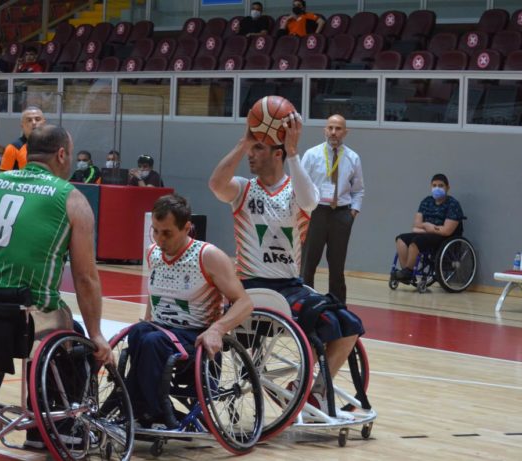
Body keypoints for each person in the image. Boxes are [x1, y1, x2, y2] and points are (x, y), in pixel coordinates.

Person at [209, 111, 363, 415]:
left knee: (349, 326)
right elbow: (215, 184)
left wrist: (294, 152)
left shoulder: (296, 189)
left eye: (258, 148)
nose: (251, 155)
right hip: (252, 287)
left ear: (277, 153)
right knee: (329, 321)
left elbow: (310, 202)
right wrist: (244, 141)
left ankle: (316, 392)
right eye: (252, 149)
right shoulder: (242, 189)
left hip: (290, 286)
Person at [0, 124, 112, 448]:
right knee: (74, 335)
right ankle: (60, 429)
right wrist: (97, 336)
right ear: (61, 154)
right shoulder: (71, 198)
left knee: (50, 325)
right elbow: (86, 278)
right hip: (27, 315)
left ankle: (40, 428)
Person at [125, 194, 253, 427]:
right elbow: (154, 301)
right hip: (161, 334)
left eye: (167, 233)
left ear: (187, 228)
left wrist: (218, 329)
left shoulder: (208, 256)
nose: (159, 239)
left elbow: (245, 302)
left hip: (194, 338)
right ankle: (134, 406)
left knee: (152, 340)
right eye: (155, 231)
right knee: (138, 333)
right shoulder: (153, 253)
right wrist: (144, 322)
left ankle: (153, 413)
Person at [300, 114, 364, 304]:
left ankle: (338, 308)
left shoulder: (353, 157)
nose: (334, 132)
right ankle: (304, 303)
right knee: (308, 264)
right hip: (316, 212)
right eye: (330, 128)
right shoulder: (312, 155)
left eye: (338, 128)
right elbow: (300, 186)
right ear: (324, 130)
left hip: (341, 215)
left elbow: (359, 189)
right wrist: (303, 213)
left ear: (345, 132)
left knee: (337, 266)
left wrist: (352, 213)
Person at [393, 174, 464, 282]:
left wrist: (430, 228)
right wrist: (428, 227)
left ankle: (408, 271)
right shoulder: (426, 201)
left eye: (441, 186)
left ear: (447, 188)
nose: (437, 188)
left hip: (443, 237)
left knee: (416, 242)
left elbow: (446, 231)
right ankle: (406, 271)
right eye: (434, 185)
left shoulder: (453, 205)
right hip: (427, 233)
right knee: (400, 239)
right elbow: (416, 225)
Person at [0, 106, 46, 171]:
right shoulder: (13, 148)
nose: (34, 123)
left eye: (37, 119)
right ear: (22, 125)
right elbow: (4, 177)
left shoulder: (54, 146)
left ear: (44, 122)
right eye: (29, 120)